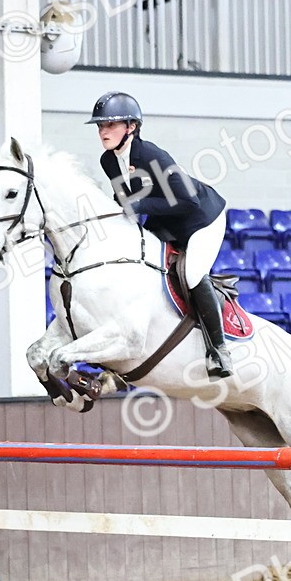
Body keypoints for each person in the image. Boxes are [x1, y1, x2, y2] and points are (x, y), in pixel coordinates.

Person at [86, 91, 232, 379]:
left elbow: (188, 201)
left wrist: (139, 205)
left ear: (131, 127)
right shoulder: (108, 161)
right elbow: (125, 201)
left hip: (202, 219)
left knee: (192, 274)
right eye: (101, 126)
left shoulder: (152, 156)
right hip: (166, 218)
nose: (103, 131)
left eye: (111, 125)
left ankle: (219, 350)